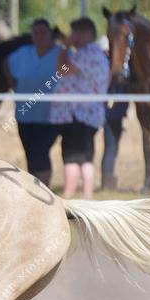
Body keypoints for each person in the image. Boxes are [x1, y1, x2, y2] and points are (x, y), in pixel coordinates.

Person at [50, 18, 110, 199]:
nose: (71, 37)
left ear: (86, 34)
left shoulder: (86, 54)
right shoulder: (96, 54)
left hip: (78, 113)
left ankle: (69, 195)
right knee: (85, 156)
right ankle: (87, 195)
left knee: (72, 157)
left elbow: (62, 69)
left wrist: (64, 47)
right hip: (87, 113)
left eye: (74, 33)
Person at [5, 19, 62, 185]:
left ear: (51, 33)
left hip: (50, 114)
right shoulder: (23, 52)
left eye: (43, 32)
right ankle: (34, 187)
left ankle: (44, 188)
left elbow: (69, 70)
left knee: (40, 151)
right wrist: (12, 84)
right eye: (35, 32)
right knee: (30, 153)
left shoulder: (61, 53)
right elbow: (6, 63)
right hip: (25, 113)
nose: (39, 36)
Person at [101, 75, 129, 190]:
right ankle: (108, 182)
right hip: (112, 117)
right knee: (111, 147)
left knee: (111, 147)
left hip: (113, 116)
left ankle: (107, 180)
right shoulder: (114, 81)